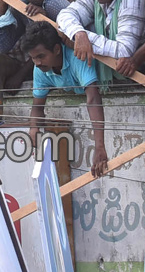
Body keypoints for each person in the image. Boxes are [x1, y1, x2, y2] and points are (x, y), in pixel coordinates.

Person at [23, 23, 109, 176]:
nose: (37, 63)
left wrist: (100, 146)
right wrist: (33, 128)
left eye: (41, 56)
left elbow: (93, 98)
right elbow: (37, 107)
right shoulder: (40, 69)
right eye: (33, 58)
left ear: (57, 50)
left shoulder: (77, 57)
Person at [57, 0, 145, 84]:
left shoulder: (132, 0)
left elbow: (124, 50)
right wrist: (78, 33)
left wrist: (85, 39)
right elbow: (65, 15)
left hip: (137, 75)